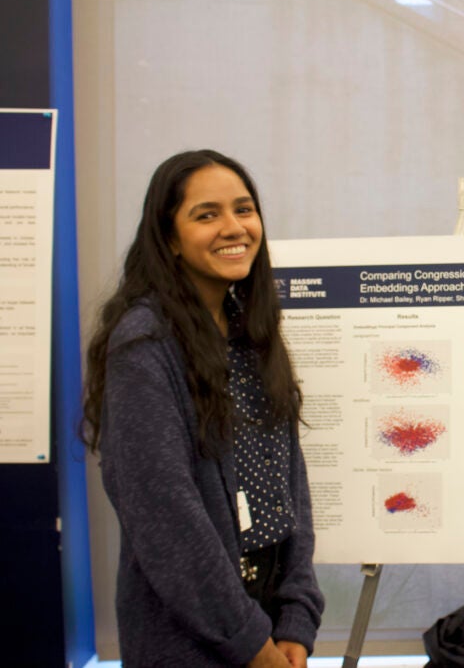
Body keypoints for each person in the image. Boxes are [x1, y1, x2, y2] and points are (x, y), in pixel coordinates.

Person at [82, 149, 324, 667]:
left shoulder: (250, 333)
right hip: (192, 635)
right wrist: (251, 643)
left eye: (244, 209)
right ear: (169, 238)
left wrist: (296, 620)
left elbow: (290, 485)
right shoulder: (145, 343)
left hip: (269, 622)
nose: (234, 227)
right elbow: (163, 514)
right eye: (206, 214)